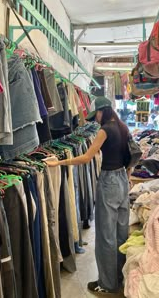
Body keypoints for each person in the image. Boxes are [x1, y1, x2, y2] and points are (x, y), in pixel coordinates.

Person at [45, 96, 130, 294]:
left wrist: (58, 163)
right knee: (120, 233)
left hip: (109, 181)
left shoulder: (104, 130)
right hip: (122, 180)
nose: (96, 118)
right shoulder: (123, 127)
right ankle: (120, 276)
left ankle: (108, 285)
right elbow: (131, 156)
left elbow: (86, 157)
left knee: (105, 236)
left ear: (103, 111)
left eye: (97, 114)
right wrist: (128, 176)